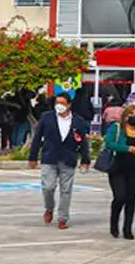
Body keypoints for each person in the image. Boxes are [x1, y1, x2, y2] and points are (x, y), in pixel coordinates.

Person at [28, 93, 91, 230]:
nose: (59, 106)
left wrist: (85, 160)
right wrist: (33, 157)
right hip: (49, 157)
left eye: (62, 103)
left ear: (69, 104)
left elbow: (83, 142)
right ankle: (49, 208)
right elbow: (37, 138)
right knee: (48, 187)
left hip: (68, 158)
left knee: (66, 190)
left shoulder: (78, 121)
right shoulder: (47, 117)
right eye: (57, 103)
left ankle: (63, 218)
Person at [104, 103, 135, 240]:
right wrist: (127, 148)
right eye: (131, 114)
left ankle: (127, 228)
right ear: (125, 116)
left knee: (131, 199)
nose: (134, 117)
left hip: (134, 169)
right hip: (118, 168)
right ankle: (114, 223)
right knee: (120, 196)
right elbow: (109, 143)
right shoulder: (116, 128)